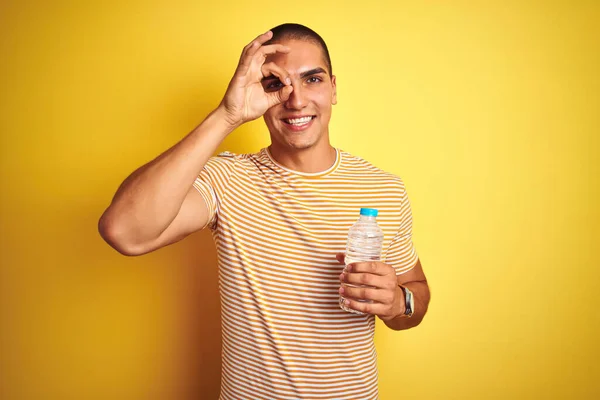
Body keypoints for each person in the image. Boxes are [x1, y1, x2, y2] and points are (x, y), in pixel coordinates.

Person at [99, 23, 430, 400]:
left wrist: (397, 301)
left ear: (334, 88)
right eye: (276, 84)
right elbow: (124, 231)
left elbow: (415, 299)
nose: (296, 100)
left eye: (312, 79)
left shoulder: (383, 189)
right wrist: (226, 115)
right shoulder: (227, 178)